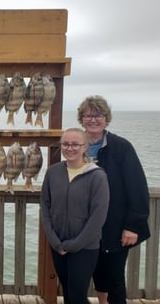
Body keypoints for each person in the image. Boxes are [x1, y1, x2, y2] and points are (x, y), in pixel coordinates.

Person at [77, 95, 150, 304]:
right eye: (88, 115)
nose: (93, 120)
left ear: (106, 118)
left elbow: (137, 188)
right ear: (81, 119)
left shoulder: (121, 147)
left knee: (115, 277)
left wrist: (133, 226)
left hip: (116, 226)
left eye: (97, 115)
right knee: (98, 274)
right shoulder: (75, 146)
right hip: (87, 225)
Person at [41, 127, 110, 304]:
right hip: (58, 245)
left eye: (75, 144)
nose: (69, 148)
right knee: (68, 294)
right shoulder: (53, 172)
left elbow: (98, 217)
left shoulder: (97, 176)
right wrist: (54, 241)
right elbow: (45, 207)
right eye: (65, 144)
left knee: (78, 296)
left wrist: (76, 244)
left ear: (85, 147)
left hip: (85, 247)